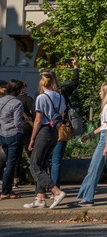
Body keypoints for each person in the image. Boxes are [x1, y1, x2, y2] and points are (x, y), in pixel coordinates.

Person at [24, 70, 68, 208]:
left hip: (43, 130)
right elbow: (61, 116)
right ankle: (40, 198)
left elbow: (37, 120)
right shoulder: (60, 97)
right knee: (42, 165)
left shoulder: (41, 98)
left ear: (41, 82)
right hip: (54, 131)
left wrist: (32, 138)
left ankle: (56, 191)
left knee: (34, 165)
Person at [50, 60, 79, 190]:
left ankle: (41, 189)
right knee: (56, 160)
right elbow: (74, 82)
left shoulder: (42, 95)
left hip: (46, 129)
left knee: (44, 159)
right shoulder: (63, 91)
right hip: (61, 127)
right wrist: (75, 67)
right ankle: (55, 188)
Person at [6, 80, 33, 189]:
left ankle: (15, 179)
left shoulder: (8, 100)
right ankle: (35, 176)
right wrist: (28, 120)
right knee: (30, 152)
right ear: (23, 88)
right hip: (25, 128)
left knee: (15, 156)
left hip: (8, 131)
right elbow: (33, 112)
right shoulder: (28, 99)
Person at [0, 79, 24, 199]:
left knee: (6, 162)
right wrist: (26, 121)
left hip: (3, 134)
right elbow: (17, 123)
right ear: (18, 90)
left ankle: (7, 190)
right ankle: (5, 191)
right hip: (14, 135)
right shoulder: (17, 103)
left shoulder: (1, 100)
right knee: (11, 164)